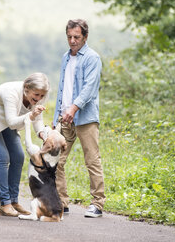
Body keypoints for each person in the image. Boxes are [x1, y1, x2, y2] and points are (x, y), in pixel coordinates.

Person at [0, 72, 49, 217]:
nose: (38, 99)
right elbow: (13, 122)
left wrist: (43, 135)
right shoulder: (11, 92)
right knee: (3, 157)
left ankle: (14, 201)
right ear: (27, 88)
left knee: (18, 156)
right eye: (36, 95)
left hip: (7, 121)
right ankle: (4, 204)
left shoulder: (38, 98)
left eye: (41, 96)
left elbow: (38, 120)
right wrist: (30, 115)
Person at [52, 19, 106, 218]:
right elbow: (62, 88)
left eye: (76, 37)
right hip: (64, 118)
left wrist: (74, 108)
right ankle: (61, 203)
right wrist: (58, 115)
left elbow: (90, 89)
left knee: (92, 160)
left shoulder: (92, 58)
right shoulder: (65, 57)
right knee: (56, 160)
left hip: (85, 117)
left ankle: (97, 204)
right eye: (69, 37)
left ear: (85, 37)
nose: (72, 41)